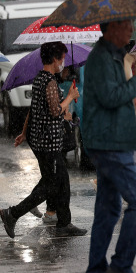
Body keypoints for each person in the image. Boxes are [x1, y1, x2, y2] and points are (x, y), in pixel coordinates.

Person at [82, 20, 136, 273]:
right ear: (112, 28)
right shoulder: (101, 58)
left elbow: (123, 99)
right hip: (108, 142)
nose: (132, 30)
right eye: (128, 25)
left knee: (108, 209)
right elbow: (111, 97)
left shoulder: (114, 56)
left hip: (113, 139)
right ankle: (121, 266)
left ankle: (97, 268)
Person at [1, 42, 85, 239]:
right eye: (62, 59)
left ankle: (64, 223)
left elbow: (35, 110)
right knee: (51, 185)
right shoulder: (49, 82)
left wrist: (23, 133)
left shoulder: (41, 79)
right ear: (55, 59)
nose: (63, 63)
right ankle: (12, 213)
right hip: (48, 143)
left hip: (44, 141)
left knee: (61, 181)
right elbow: (55, 111)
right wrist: (70, 96)